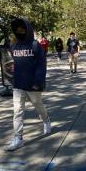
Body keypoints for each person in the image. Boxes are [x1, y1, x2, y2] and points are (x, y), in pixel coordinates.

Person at [6, 18, 51, 151]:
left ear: (28, 30)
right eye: (17, 29)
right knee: (17, 112)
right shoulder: (14, 46)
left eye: (22, 29)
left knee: (39, 106)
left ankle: (46, 120)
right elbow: (11, 64)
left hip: (33, 86)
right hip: (18, 85)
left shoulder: (35, 45)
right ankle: (18, 138)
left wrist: (38, 82)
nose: (20, 31)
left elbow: (41, 65)